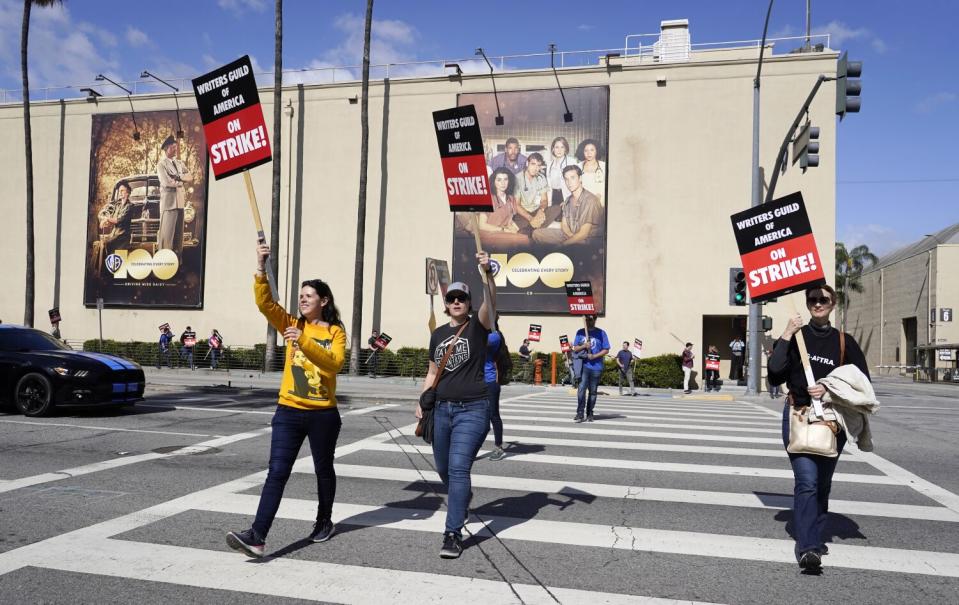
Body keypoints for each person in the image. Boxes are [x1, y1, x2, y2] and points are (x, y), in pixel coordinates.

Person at [227, 241, 347, 558]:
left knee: (324, 470)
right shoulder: (291, 323)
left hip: (323, 414)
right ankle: (257, 535)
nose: (302, 299)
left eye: (308, 296)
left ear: (324, 301)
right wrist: (260, 267)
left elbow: (334, 363)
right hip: (288, 411)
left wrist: (304, 340)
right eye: (300, 296)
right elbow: (265, 304)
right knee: (277, 472)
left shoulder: (334, 332)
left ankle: (324, 521)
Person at [768, 284, 870, 571]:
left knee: (822, 483)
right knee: (807, 482)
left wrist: (828, 388)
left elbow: (863, 383)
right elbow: (775, 375)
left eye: (823, 299)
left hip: (831, 420)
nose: (817, 303)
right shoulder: (796, 336)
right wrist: (787, 334)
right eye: (812, 299)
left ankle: (816, 533)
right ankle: (808, 548)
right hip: (798, 415)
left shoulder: (843, 342)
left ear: (833, 303)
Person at [417, 254, 496, 560]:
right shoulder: (437, 334)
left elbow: (491, 302)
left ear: (469, 303)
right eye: (452, 298)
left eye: (462, 298)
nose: (457, 302)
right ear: (446, 303)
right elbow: (433, 372)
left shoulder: (479, 325)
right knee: (443, 468)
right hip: (441, 410)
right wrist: (421, 402)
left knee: (459, 468)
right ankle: (462, 501)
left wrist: (488, 275)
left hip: (473, 409)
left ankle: (452, 533)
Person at [532, 165, 603, 247]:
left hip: (587, 240)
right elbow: (564, 226)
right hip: (570, 235)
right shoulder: (568, 200)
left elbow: (583, 234)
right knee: (536, 234)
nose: (569, 182)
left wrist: (562, 245)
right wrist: (571, 238)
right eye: (566, 179)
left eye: (572, 178)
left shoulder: (591, 200)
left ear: (580, 179)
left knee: (567, 246)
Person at [156, 135, 193, 256]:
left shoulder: (180, 163)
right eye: (173, 147)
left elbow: (190, 177)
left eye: (176, 147)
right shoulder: (161, 165)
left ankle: (177, 264)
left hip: (180, 203)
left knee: (178, 237)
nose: (175, 150)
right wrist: (181, 182)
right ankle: (165, 264)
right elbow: (166, 183)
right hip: (169, 204)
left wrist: (179, 178)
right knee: (167, 237)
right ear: (166, 148)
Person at [571, 315, 610, 422]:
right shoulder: (580, 332)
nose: (589, 321)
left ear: (595, 319)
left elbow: (606, 349)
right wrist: (584, 346)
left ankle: (589, 412)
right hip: (584, 365)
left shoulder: (601, 333)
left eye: (591, 319)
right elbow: (575, 348)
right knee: (581, 389)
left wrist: (594, 356)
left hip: (596, 367)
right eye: (587, 319)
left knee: (593, 391)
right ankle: (580, 412)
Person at [476, 168, 522, 235]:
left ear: (509, 181)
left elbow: (509, 220)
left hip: (505, 234)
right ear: (494, 182)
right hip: (489, 234)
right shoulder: (487, 199)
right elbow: (481, 225)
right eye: (499, 180)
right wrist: (503, 230)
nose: (503, 183)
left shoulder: (511, 199)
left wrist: (517, 230)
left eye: (505, 179)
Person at [512, 152, 549, 233]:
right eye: (533, 164)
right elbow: (516, 205)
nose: (535, 168)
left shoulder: (541, 178)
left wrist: (541, 210)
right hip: (523, 213)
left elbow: (544, 200)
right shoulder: (517, 178)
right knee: (518, 223)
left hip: (537, 210)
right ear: (527, 163)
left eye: (538, 165)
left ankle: (531, 227)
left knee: (556, 209)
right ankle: (533, 227)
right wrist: (531, 218)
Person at [485, 325, 507, 462]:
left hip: (490, 381)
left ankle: (499, 447)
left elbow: (480, 343)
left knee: (493, 415)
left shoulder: (494, 335)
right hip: (474, 382)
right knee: (476, 416)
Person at [98, 182, 135, 254]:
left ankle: (106, 264)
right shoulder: (118, 206)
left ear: (128, 193)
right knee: (100, 244)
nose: (120, 193)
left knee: (106, 244)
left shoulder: (130, 206)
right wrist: (106, 223)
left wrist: (107, 219)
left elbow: (120, 220)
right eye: (119, 191)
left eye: (122, 191)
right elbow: (113, 220)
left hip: (123, 236)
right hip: (115, 234)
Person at [575, 138, 606, 206]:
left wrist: (598, 197)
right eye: (586, 150)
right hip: (583, 203)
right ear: (582, 152)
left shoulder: (604, 166)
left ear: (597, 151)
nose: (589, 153)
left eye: (592, 150)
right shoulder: (578, 167)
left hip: (600, 201)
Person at [545, 136, 575, 206]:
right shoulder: (549, 164)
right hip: (553, 196)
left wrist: (569, 200)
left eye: (562, 147)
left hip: (567, 196)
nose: (559, 150)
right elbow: (549, 184)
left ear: (565, 149)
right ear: (553, 149)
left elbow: (576, 184)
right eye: (557, 147)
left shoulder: (571, 162)